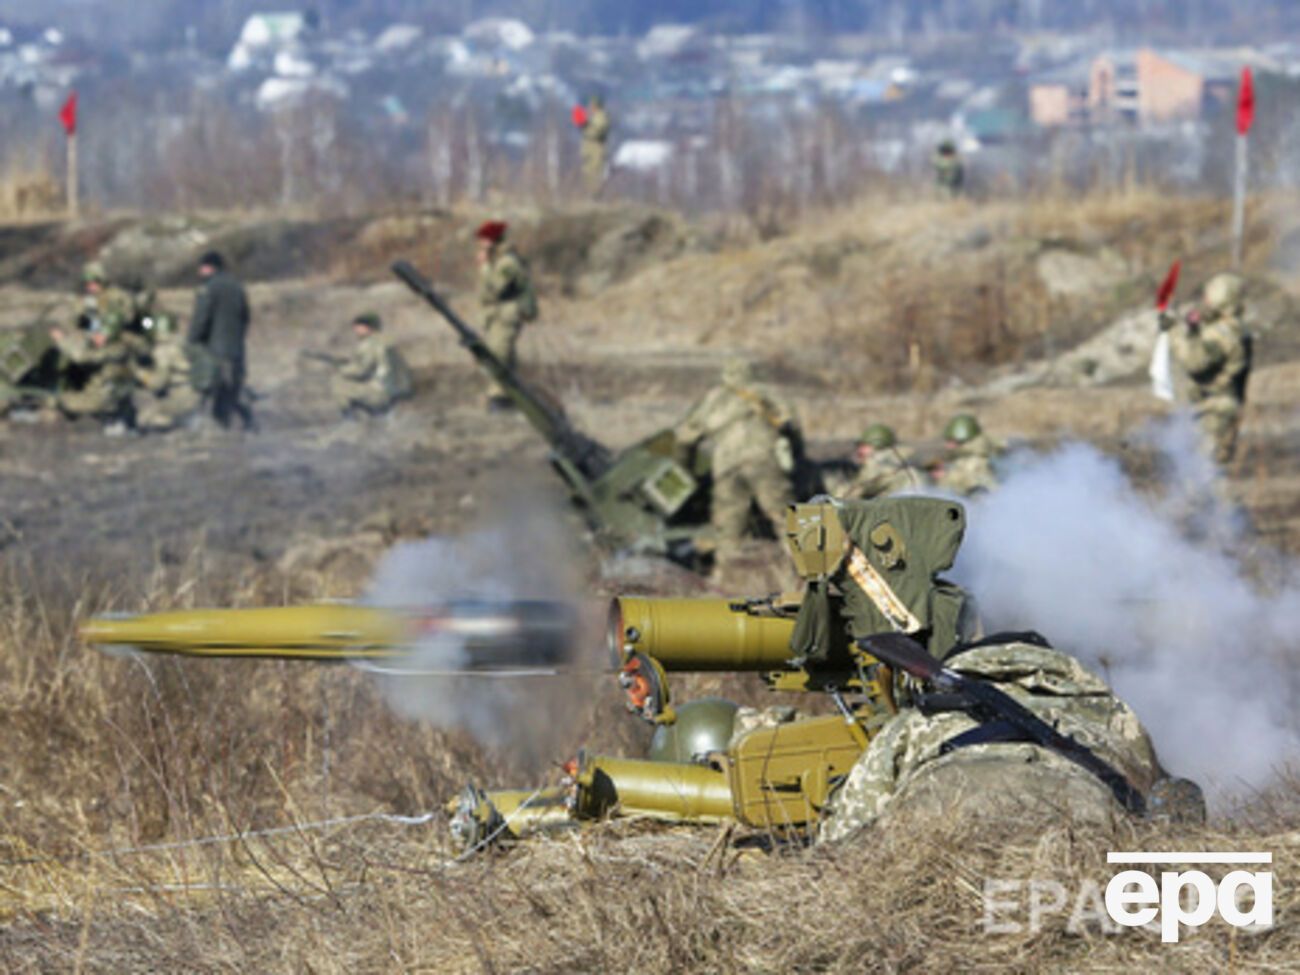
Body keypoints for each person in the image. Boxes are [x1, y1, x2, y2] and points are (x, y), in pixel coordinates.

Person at [674, 359, 799, 549]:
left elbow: (684, 439)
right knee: (785, 519)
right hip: (764, 462)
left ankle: (726, 572)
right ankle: (807, 571)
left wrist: (685, 469)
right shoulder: (767, 394)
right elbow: (792, 428)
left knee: (728, 529)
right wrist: (796, 461)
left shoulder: (712, 399)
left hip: (726, 468)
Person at [1162, 273, 1252, 466]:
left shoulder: (1222, 334)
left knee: (1205, 474)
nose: (1205, 302)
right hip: (1214, 410)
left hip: (1214, 413)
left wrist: (1173, 329)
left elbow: (1194, 362)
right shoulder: (1232, 329)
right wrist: (1190, 328)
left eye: (1208, 298)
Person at [188, 250, 254, 430]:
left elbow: (201, 319)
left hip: (215, 351)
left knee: (212, 394)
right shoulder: (237, 286)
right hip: (237, 351)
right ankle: (244, 427)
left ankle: (215, 431)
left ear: (208, 267)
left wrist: (192, 341)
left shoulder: (208, 288)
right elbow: (246, 317)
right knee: (232, 392)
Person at [475, 221, 538, 410]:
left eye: (483, 239)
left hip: (507, 316)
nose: (480, 243)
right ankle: (511, 397)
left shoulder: (507, 262)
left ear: (492, 240)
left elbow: (494, 290)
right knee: (504, 356)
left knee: (498, 356)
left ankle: (500, 398)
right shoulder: (500, 260)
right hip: (499, 315)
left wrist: (484, 267)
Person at [48, 318, 133, 431]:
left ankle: (112, 418)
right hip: (103, 394)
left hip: (103, 399)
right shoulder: (106, 346)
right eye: (96, 333)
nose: (97, 337)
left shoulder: (116, 349)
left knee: (56, 401)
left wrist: (62, 340)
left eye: (102, 334)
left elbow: (83, 357)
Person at [130, 313, 206, 432]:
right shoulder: (183, 343)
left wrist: (140, 374)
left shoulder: (163, 350)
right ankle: (189, 420)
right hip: (196, 394)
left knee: (143, 419)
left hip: (181, 396)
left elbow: (158, 384)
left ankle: (179, 423)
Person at [328, 312, 413, 418]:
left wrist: (341, 369)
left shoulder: (369, 344)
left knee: (337, 382)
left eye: (359, 326)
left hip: (381, 393)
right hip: (398, 390)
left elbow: (362, 371)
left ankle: (351, 420)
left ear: (368, 327)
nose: (356, 329)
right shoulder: (386, 341)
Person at [847, 423, 929, 499]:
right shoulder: (904, 458)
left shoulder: (879, 463)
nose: (859, 450)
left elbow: (852, 493)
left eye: (863, 446)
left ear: (877, 444)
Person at [933, 413, 1000, 495]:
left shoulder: (976, 461)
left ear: (963, 440)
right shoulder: (961, 457)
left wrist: (944, 477)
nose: (947, 444)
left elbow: (970, 485)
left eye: (951, 440)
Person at [578, 95, 611, 195]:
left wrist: (585, 124)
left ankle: (595, 195)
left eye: (591, 105)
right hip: (589, 149)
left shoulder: (602, 116)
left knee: (595, 173)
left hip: (597, 149)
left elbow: (596, 132)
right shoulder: (592, 116)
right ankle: (588, 193)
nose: (589, 107)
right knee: (587, 173)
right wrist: (582, 123)